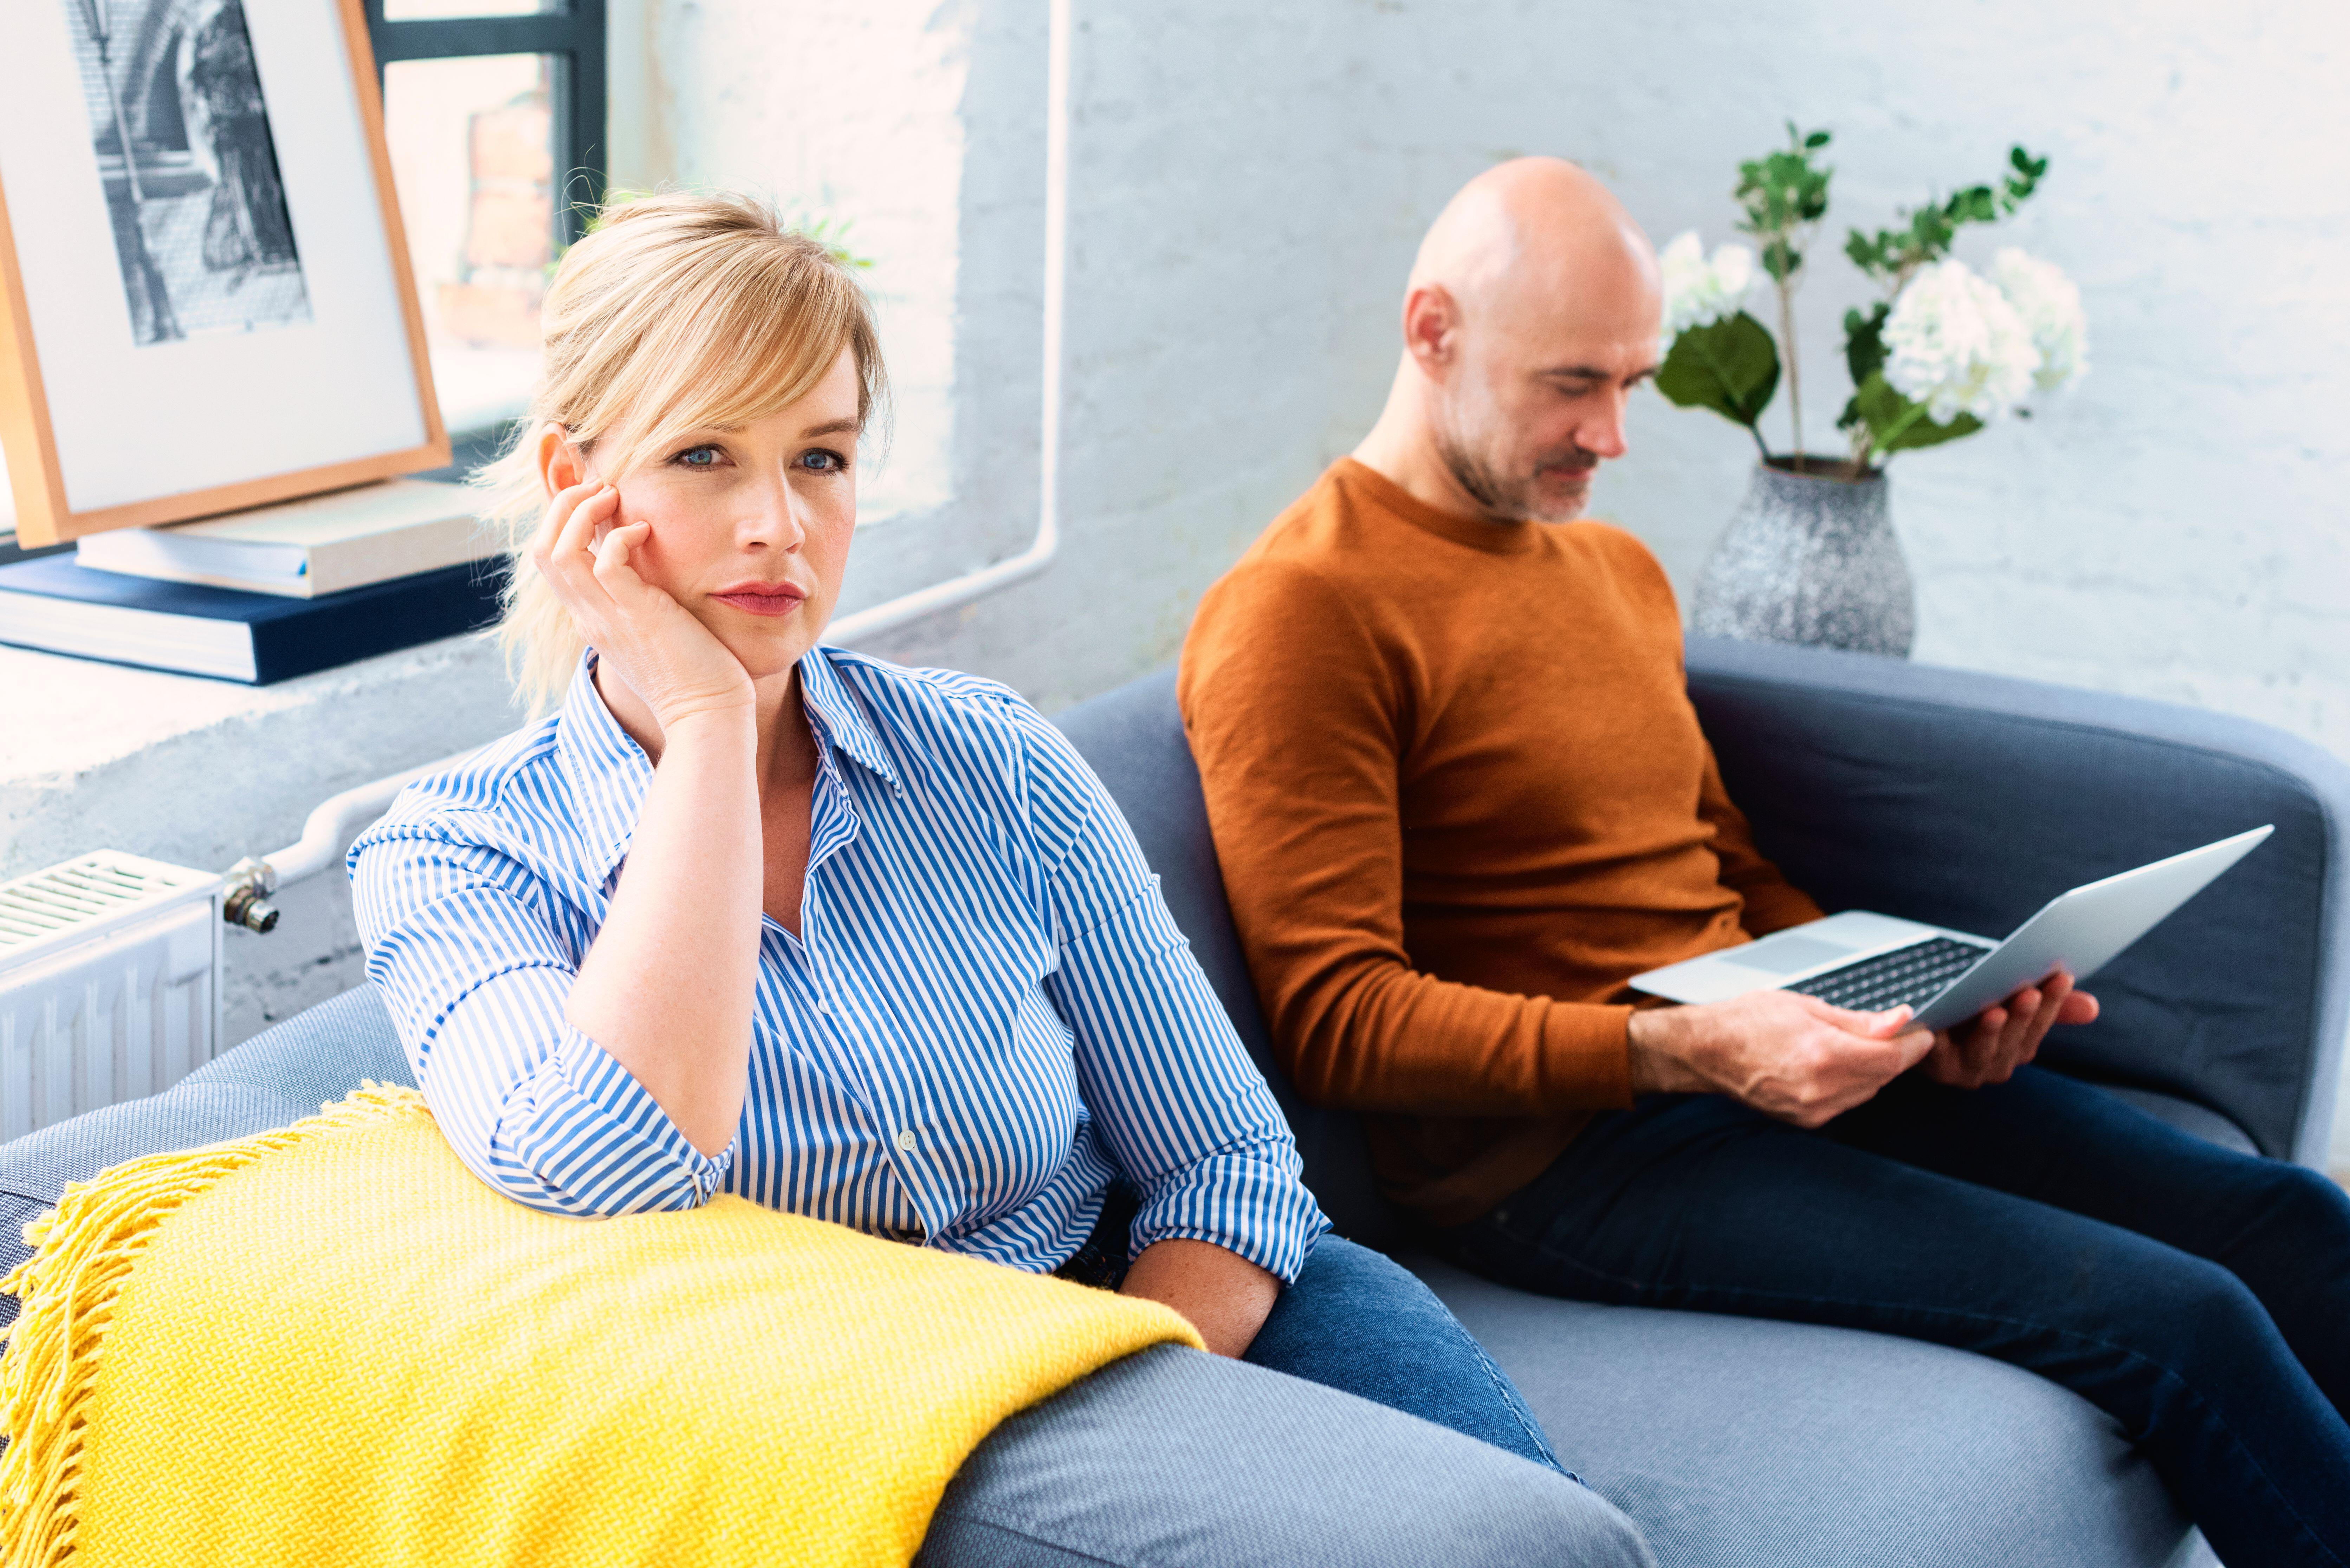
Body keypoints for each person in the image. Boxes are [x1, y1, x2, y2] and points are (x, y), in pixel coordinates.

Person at [351, 190, 1647, 1567]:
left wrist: (1151, 1388)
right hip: (892, 1429)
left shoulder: (993, 761)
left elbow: (1225, 1160)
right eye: (708, 455)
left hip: (1169, 1310)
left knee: (1552, 1548)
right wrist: (711, 734)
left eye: (825, 457)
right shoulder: (454, 854)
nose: (780, 524)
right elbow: (604, 1163)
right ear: (575, 487)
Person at [1179, 156, 2350, 1568]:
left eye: (1634, 381)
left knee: (2290, 1224)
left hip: (1760, 1058)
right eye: (1571, 384)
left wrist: (1910, 1010)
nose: (1611, 434)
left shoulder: (1613, 568)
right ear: (1432, 332)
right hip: (1573, 1162)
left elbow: (1721, 867)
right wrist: (1686, 1053)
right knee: (2177, 1316)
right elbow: (1335, 1017)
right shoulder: (1301, 610)